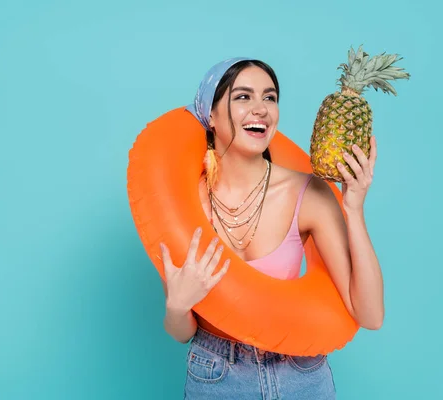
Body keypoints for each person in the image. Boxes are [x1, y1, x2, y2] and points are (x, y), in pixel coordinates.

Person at [158, 57, 384, 399]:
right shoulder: (185, 205)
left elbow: (369, 315)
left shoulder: (309, 194)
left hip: (300, 373)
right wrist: (177, 307)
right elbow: (181, 331)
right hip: (216, 373)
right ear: (212, 115)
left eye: (270, 97)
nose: (261, 109)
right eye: (243, 97)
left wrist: (353, 207)